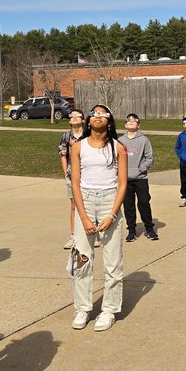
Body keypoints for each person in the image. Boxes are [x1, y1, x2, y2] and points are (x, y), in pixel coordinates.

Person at [69, 105, 128, 331]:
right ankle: (83, 308)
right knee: (82, 259)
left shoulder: (118, 147)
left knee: (113, 262)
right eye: (94, 114)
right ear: (88, 121)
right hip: (85, 200)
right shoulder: (78, 146)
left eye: (102, 114)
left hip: (109, 200)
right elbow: (75, 182)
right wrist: (82, 216)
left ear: (110, 121)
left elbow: (123, 183)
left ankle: (109, 310)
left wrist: (112, 214)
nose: (97, 116)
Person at [119, 113, 158, 241]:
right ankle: (131, 230)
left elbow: (149, 158)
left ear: (138, 124)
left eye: (134, 120)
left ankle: (149, 228)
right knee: (128, 205)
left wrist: (141, 169)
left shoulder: (144, 140)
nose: (131, 122)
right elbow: (116, 158)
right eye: (128, 120)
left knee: (144, 203)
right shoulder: (120, 141)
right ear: (125, 124)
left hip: (141, 178)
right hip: (125, 179)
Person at [58, 108, 87, 248]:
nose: (75, 118)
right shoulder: (65, 136)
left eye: (78, 116)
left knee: (90, 203)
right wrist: (66, 173)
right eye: (72, 116)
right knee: (74, 205)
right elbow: (63, 155)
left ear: (83, 119)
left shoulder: (88, 135)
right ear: (69, 120)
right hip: (72, 176)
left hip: (89, 175)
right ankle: (74, 236)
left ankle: (93, 233)